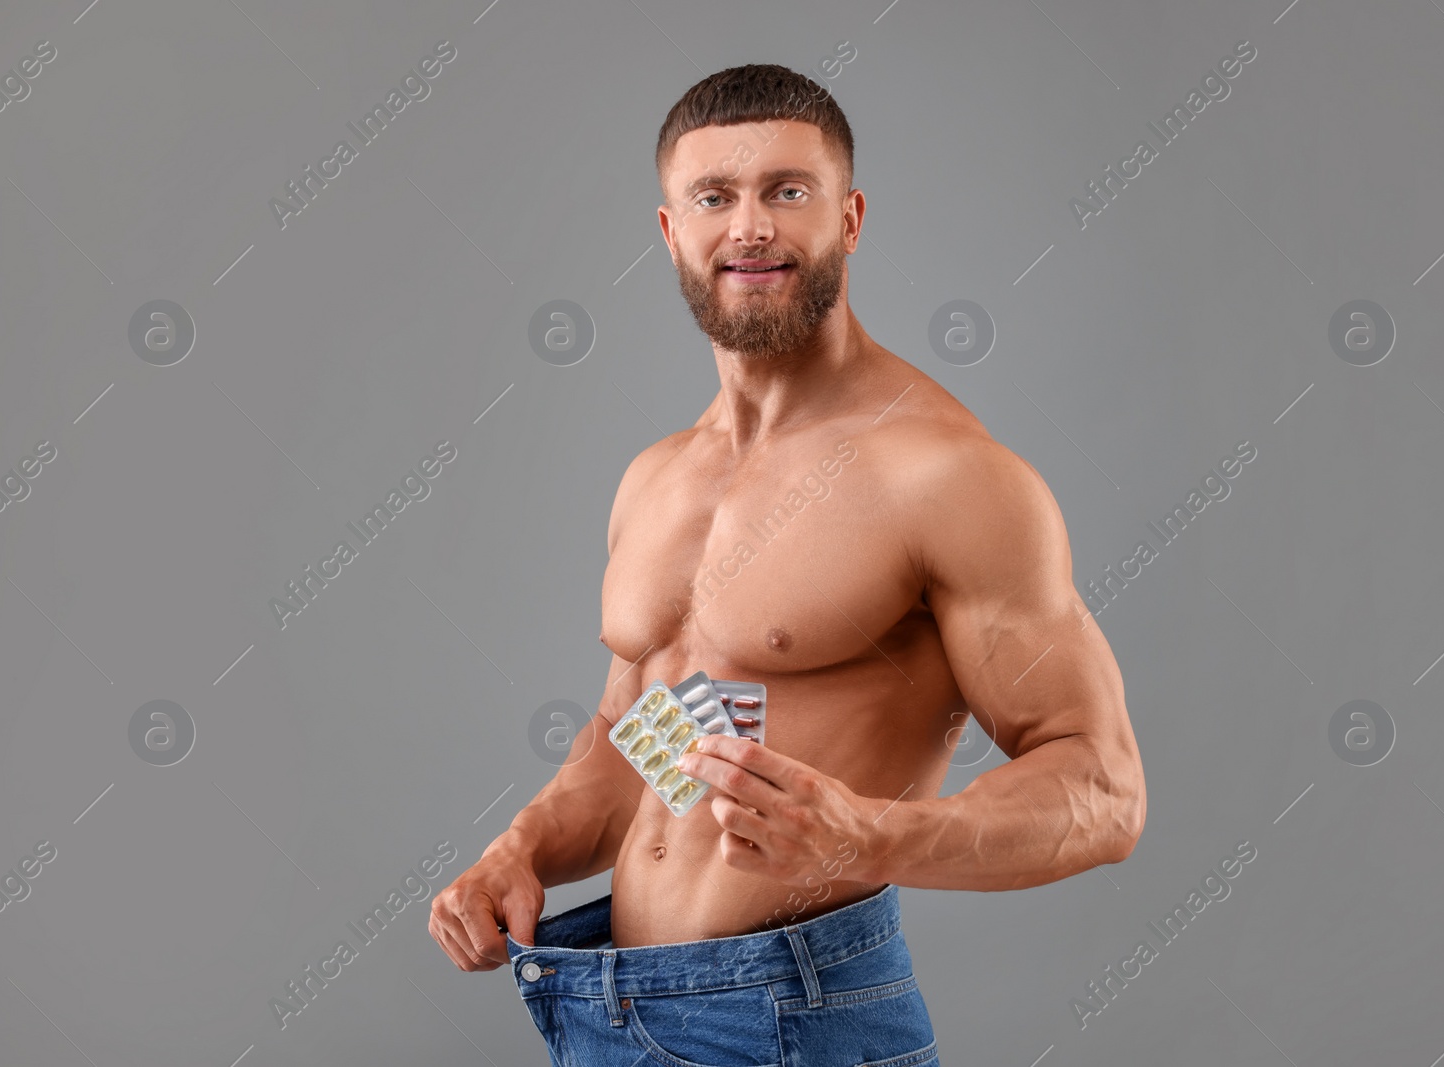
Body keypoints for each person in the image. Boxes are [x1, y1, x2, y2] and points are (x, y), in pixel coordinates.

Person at [430, 62, 1146, 1066]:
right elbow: (634, 743)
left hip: (792, 1017)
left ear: (848, 218)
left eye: (786, 191)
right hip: (600, 1007)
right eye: (715, 197)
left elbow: (1102, 787)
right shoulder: (657, 478)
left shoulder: (944, 474)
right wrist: (523, 847)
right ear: (671, 231)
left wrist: (874, 835)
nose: (751, 227)